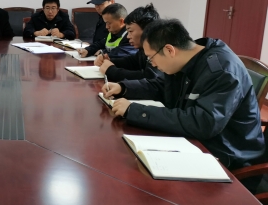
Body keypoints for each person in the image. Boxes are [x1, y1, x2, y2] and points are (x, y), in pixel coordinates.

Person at [102, 19, 265, 171]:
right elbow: (161, 86)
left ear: (169, 50)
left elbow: (203, 123)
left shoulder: (221, 71)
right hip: (195, 142)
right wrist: (124, 88)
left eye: (151, 58)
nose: (153, 64)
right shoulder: (187, 58)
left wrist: (134, 110)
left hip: (227, 156)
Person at [95, 3, 161, 81]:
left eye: (130, 31)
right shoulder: (143, 50)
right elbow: (132, 62)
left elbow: (150, 77)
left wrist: (111, 70)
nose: (128, 36)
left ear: (147, 30)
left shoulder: (159, 50)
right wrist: (109, 61)